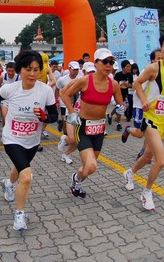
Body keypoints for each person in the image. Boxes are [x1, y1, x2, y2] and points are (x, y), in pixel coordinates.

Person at [122, 32, 164, 210]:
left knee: (147, 156)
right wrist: (144, 100)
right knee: (160, 161)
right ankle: (146, 193)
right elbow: (137, 83)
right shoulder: (154, 68)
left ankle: (130, 172)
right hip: (151, 119)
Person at [0, 50, 56, 230]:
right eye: (28, 69)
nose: (33, 74)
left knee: (20, 168)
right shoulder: (10, 88)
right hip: (12, 137)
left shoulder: (46, 90)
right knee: (26, 176)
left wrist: (44, 117)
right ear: (20, 70)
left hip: (32, 140)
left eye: (37, 70)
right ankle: (19, 214)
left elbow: (55, 116)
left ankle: (8, 183)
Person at [60, 48, 123, 198]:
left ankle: (77, 179)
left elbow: (120, 103)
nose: (109, 65)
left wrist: (121, 108)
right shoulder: (84, 81)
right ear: (96, 63)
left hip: (99, 129)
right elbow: (66, 95)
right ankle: (77, 178)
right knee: (91, 165)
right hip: (83, 127)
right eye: (105, 62)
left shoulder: (113, 84)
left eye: (111, 62)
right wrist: (72, 112)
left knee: (90, 167)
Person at [55, 61, 81, 164]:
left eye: (77, 69)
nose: (75, 71)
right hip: (66, 106)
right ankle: (65, 137)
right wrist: (57, 100)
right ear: (69, 69)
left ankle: (65, 143)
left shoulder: (81, 79)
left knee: (77, 139)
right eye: (73, 69)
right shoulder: (63, 79)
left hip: (80, 110)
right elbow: (57, 90)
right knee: (71, 134)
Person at [114, 60, 133, 130]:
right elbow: (114, 84)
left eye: (130, 67)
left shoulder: (130, 75)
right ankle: (119, 124)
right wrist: (120, 85)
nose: (129, 68)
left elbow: (131, 85)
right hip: (117, 93)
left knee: (122, 107)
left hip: (126, 93)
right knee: (120, 107)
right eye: (127, 67)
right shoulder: (118, 75)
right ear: (123, 67)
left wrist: (127, 85)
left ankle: (110, 115)